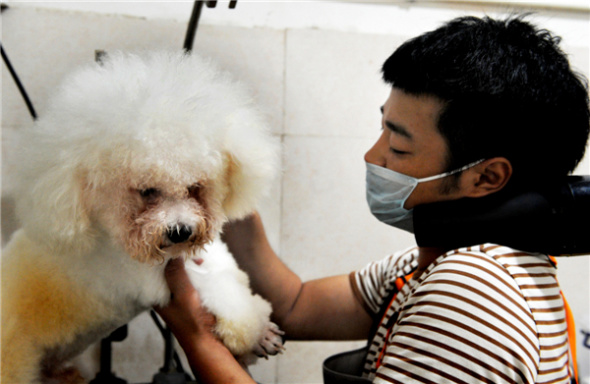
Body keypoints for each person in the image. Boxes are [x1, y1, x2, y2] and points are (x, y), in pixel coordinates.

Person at [155, 15, 590, 383]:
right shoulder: (425, 264)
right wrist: (228, 192)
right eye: (382, 129)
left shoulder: (474, 291)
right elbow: (295, 305)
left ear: (486, 176)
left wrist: (195, 335)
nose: (372, 156)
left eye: (399, 147)